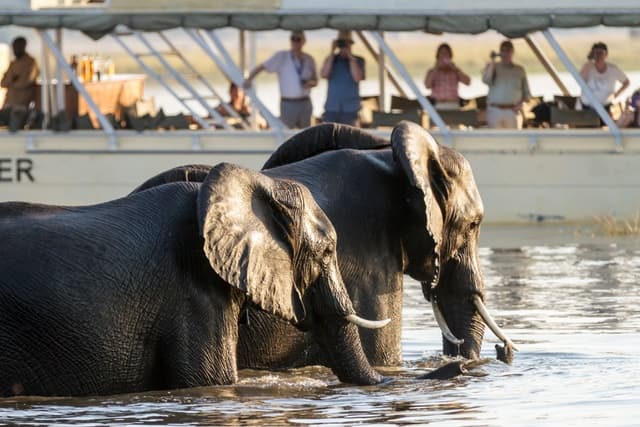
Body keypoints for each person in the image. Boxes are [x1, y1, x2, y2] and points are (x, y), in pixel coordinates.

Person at [243, 30, 317, 129]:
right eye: (293, 39)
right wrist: (249, 79)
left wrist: (310, 83)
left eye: (298, 39)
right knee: (287, 132)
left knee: (306, 132)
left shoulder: (309, 59)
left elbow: (316, 80)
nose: (295, 42)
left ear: (303, 41)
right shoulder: (281, 56)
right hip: (288, 103)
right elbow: (262, 66)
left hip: (305, 102)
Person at [481, 40, 531, 129]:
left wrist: (520, 105)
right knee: (496, 139)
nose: (505, 53)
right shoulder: (493, 67)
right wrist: (492, 61)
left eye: (508, 51)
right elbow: (486, 80)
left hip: (513, 111)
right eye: (503, 50)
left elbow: (526, 94)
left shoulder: (519, 70)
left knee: (514, 139)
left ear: (512, 52)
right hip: (495, 110)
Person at [320, 30, 365, 126]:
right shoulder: (331, 60)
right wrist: (332, 52)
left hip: (350, 109)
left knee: (350, 138)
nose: (343, 46)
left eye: (346, 43)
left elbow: (357, 77)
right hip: (332, 108)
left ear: (351, 44)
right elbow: (324, 74)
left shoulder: (358, 60)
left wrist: (350, 57)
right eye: (341, 43)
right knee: (328, 138)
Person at [579, 42, 629, 114]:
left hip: (606, 106)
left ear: (606, 54)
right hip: (587, 106)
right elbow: (580, 81)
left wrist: (616, 95)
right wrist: (590, 61)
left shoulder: (613, 69)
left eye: (601, 52)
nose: (599, 55)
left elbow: (626, 82)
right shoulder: (587, 67)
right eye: (596, 53)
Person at [0, 37, 39, 125]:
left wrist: (12, 81)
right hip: (8, 104)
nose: (15, 49)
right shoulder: (13, 63)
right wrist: (13, 79)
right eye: (14, 47)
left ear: (23, 46)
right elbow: (3, 83)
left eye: (17, 46)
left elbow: (24, 82)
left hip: (22, 105)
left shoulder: (30, 62)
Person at [424, 43, 471, 109]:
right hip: (437, 105)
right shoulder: (432, 71)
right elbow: (427, 85)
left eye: (446, 53)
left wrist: (456, 69)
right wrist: (435, 69)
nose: (444, 56)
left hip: (453, 104)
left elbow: (468, 82)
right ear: (438, 56)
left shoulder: (455, 71)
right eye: (442, 53)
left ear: (450, 56)